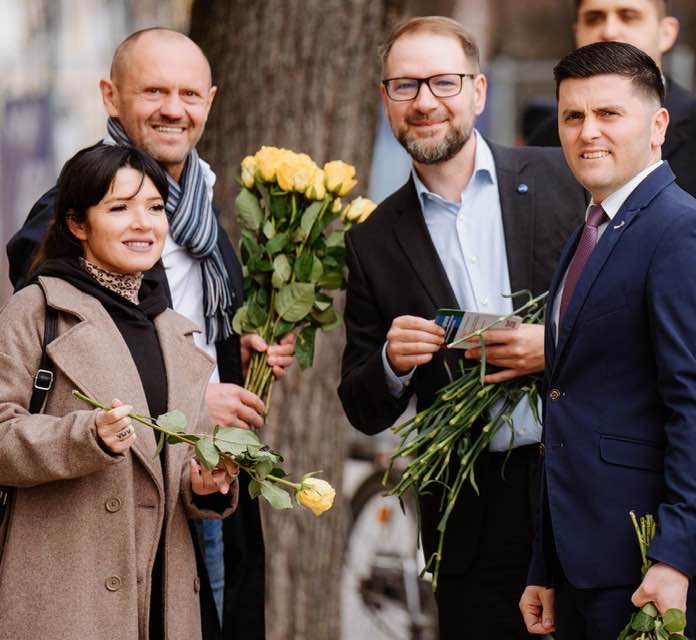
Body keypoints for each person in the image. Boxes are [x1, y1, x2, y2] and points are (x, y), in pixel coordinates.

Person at [4, 28, 294, 638]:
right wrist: (190, 401)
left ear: (209, 102)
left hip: (191, 486)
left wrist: (228, 355)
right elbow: (79, 343)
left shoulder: (198, 210)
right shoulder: (64, 218)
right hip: (91, 512)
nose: (173, 108)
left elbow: (178, 333)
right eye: (154, 91)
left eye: (189, 93)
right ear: (111, 96)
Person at [337, 16, 585, 640]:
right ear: (386, 100)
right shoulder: (372, 241)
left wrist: (554, 348)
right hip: (472, 517)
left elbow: (632, 312)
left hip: (584, 481)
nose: (424, 102)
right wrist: (392, 363)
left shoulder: (563, 179)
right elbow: (361, 405)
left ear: (478, 91)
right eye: (405, 86)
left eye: (443, 82)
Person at [519, 41, 696, 640]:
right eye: (573, 116)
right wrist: (546, 565)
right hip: (585, 557)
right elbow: (571, 404)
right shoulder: (593, 226)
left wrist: (674, 558)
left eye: (608, 113)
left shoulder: (683, 231)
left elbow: (695, 408)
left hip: (648, 561)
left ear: (658, 125)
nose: (587, 131)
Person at [0, 143, 239, 639]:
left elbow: (174, 467)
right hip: (66, 603)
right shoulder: (37, 310)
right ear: (77, 223)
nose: (143, 224)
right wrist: (84, 437)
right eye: (119, 208)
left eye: (154, 207)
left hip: (163, 603)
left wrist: (202, 483)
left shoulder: (174, 330)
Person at [527, 0, 696, 325]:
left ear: (666, 33)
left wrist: (643, 313)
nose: (609, 30)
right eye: (594, 18)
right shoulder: (547, 137)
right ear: (577, 32)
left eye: (628, 16)